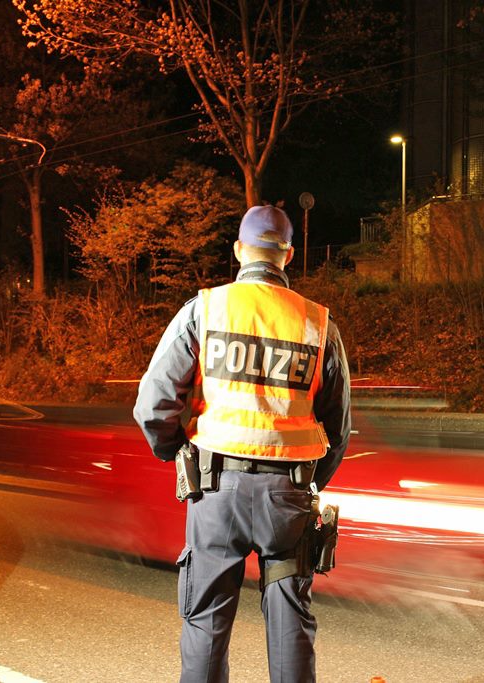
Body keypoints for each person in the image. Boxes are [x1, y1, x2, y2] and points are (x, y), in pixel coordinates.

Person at [133, 204, 351, 683]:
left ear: (238, 249)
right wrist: (309, 480)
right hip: (288, 497)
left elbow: (152, 404)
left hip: (215, 491)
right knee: (291, 621)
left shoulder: (205, 310)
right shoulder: (318, 325)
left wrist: (177, 453)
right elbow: (338, 428)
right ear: (288, 255)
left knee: (207, 620)